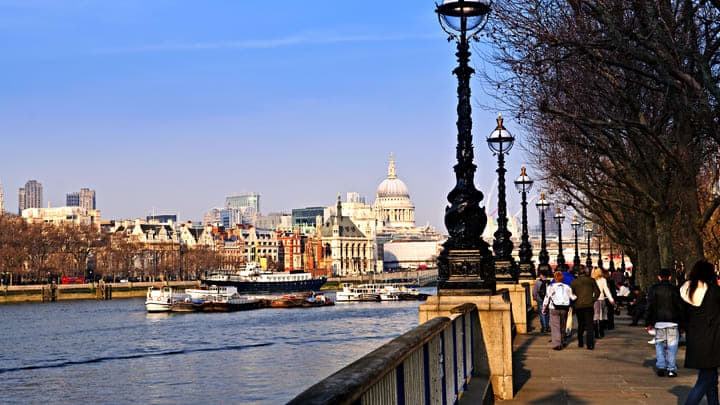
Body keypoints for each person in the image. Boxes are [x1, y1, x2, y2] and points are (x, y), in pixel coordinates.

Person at [681, 260, 720, 405]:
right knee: (705, 380)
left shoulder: (686, 290)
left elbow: (683, 316)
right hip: (712, 340)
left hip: (695, 339)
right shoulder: (713, 291)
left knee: (711, 379)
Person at [646, 268, 684, 378]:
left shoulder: (654, 289)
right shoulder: (675, 289)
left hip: (659, 321)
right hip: (673, 321)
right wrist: (682, 323)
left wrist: (648, 321)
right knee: (672, 346)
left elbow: (650, 306)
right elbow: (680, 307)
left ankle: (661, 366)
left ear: (659, 277)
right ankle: (671, 369)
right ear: (670, 277)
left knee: (659, 344)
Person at [543, 271, 576, 350]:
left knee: (555, 326)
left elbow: (547, 297)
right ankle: (563, 341)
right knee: (563, 325)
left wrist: (544, 307)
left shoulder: (551, 286)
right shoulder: (567, 287)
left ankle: (557, 344)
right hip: (564, 308)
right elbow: (573, 297)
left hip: (554, 307)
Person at [571, 265, 600, 349]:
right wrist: (593, 299)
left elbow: (571, 294)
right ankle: (590, 344)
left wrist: (574, 302)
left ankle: (580, 342)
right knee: (589, 325)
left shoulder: (574, 282)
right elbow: (597, 292)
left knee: (581, 324)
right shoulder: (591, 280)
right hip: (589, 305)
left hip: (578, 305)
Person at [592, 267, 615, 338]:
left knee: (595, 316)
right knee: (601, 316)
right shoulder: (603, 280)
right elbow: (606, 290)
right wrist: (611, 299)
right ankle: (601, 332)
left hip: (593, 299)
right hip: (601, 298)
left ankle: (596, 332)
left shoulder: (592, 280)